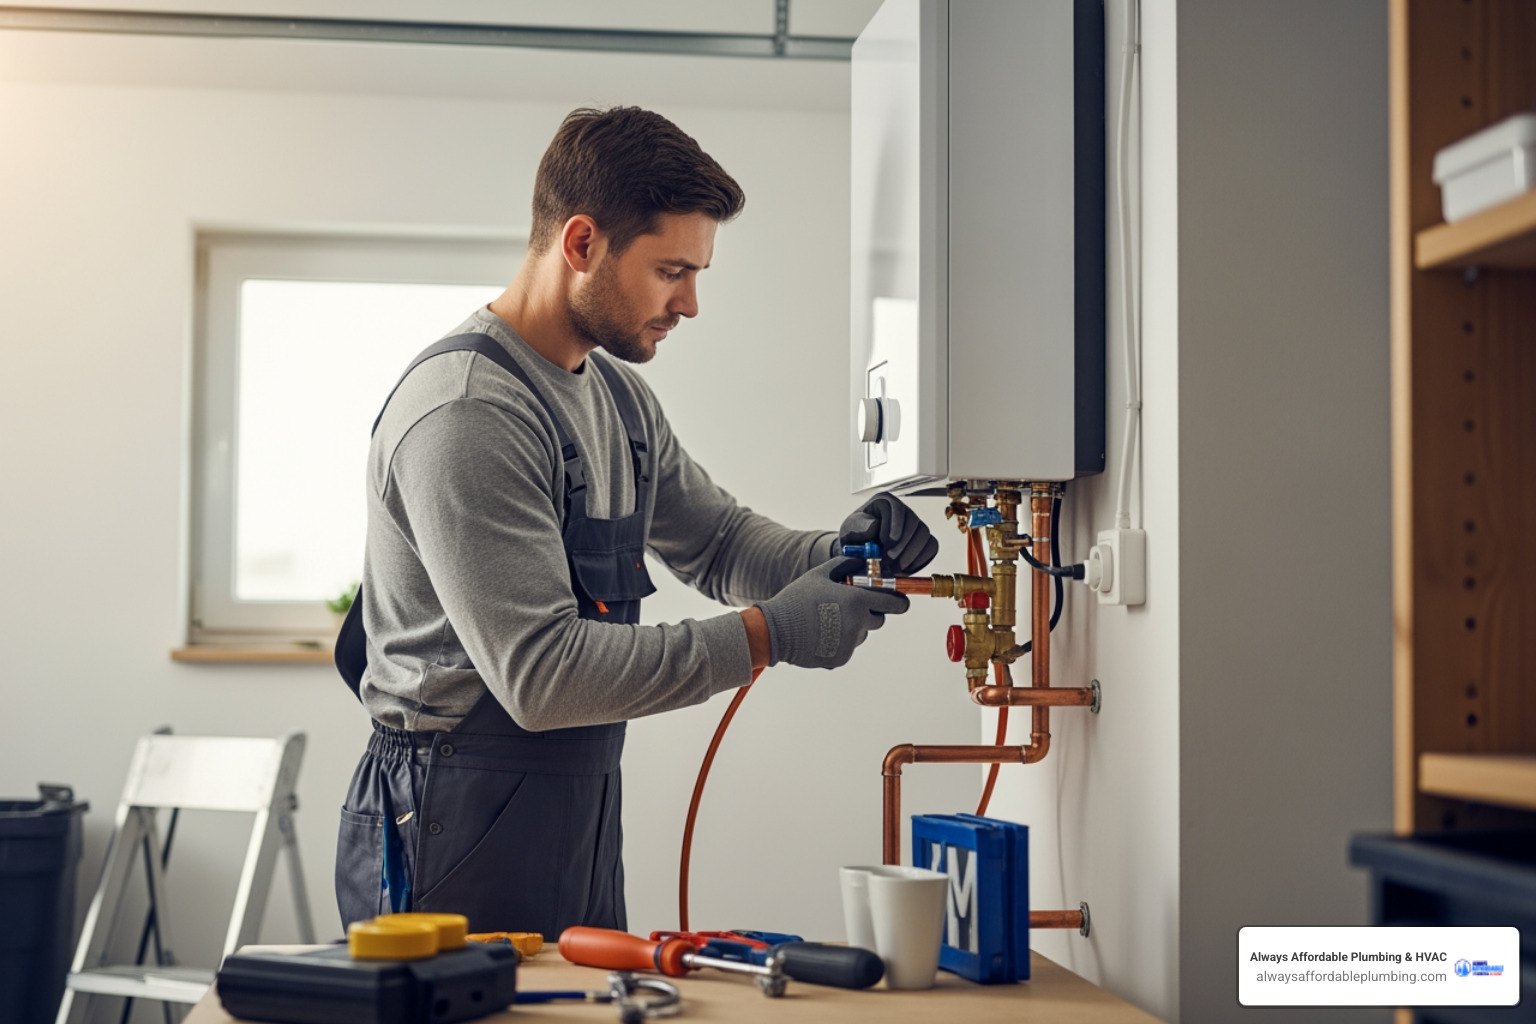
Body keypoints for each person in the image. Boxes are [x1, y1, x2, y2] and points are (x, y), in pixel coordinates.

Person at [335, 106, 938, 937]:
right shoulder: (470, 413)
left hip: (573, 809)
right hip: (447, 823)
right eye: (672, 271)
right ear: (581, 244)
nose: (690, 303)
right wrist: (768, 635)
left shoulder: (615, 397)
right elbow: (542, 676)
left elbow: (719, 541)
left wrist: (839, 553)